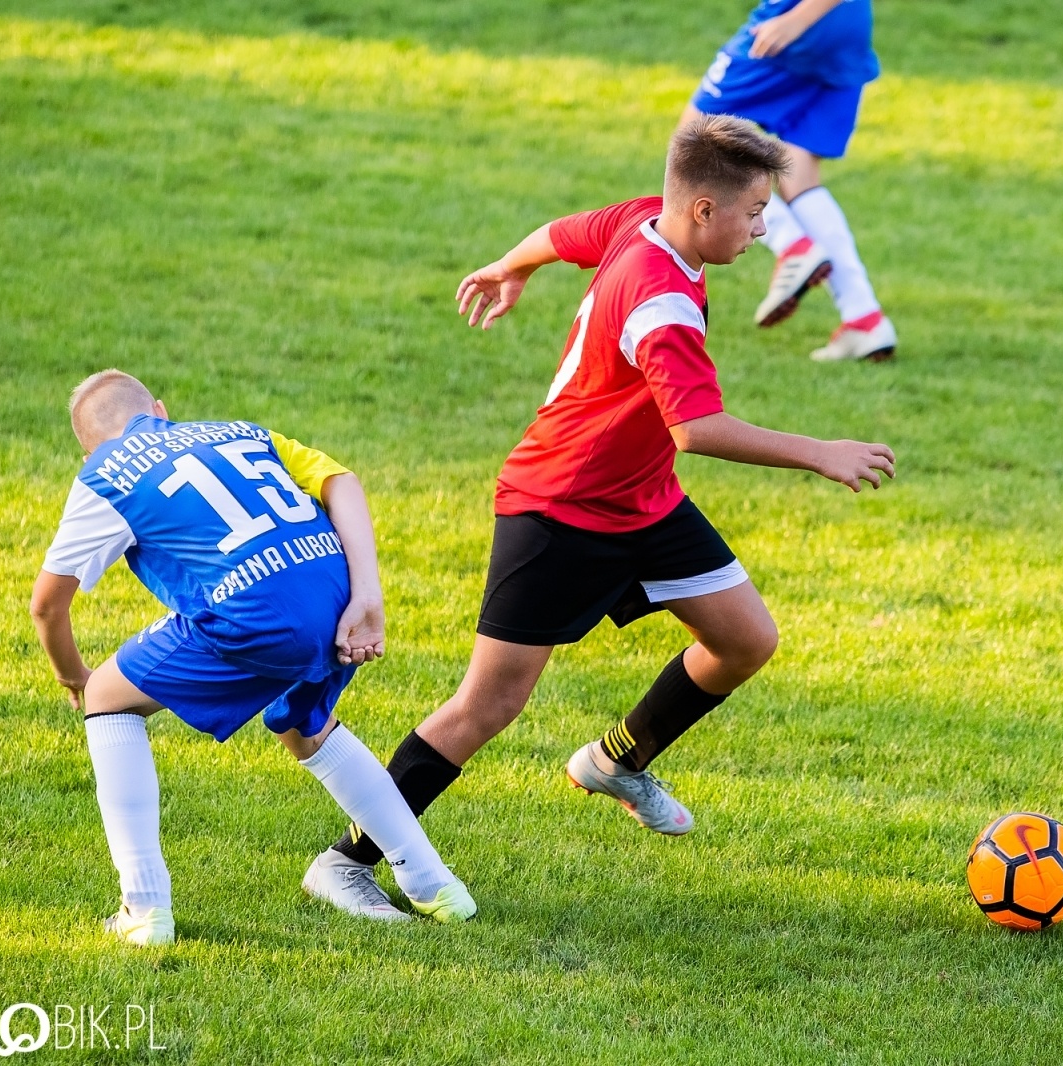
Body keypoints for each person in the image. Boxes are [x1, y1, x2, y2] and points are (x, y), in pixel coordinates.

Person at [304, 115, 895, 917]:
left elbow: (560, 233)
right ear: (704, 211)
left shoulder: (647, 218)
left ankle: (618, 762)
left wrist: (511, 266)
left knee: (745, 639)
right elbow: (698, 428)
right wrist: (820, 452)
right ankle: (345, 862)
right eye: (756, 212)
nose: (763, 230)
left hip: (643, 498)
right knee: (487, 705)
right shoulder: (662, 304)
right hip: (561, 509)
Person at [30, 370, 475, 945]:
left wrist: (73, 675)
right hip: (334, 592)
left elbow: (47, 605)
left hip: (258, 611)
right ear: (160, 410)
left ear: (90, 451)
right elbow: (341, 480)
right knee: (305, 728)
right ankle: (436, 885)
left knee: (107, 697)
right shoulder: (241, 430)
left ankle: (143, 908)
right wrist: (367, 593)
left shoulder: (104, 474)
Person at [683, 0, 895, 362]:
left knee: (693, 142)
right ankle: (864, 319)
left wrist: (797, 19)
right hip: (847, 33)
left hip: (794, 29)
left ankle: (794, 248)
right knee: (798, 172)